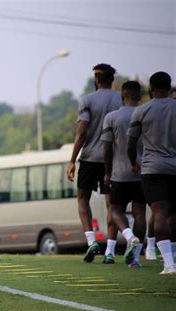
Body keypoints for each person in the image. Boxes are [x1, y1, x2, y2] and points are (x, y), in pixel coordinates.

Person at [67, 64, 121, 263]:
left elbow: (82, 132)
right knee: (111, 204)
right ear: (112, 80)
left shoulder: (87, 100)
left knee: (83, 199)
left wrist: (72, 160)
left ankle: (91, 241)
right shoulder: (120, 99)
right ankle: (110, 251)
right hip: (113, 159)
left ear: (96, 80)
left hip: (89, 157)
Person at [127, 71, 176, 274]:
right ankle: (173, 258)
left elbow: (131, 142)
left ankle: (168, 264)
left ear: (151, 88)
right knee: (174, 214)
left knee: (159, 213)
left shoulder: (141, 111)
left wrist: (133, 161)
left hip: (152, 168)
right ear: (169, 86)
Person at [101, 81, 146, 267]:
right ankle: (135, 258)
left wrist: (107, 171)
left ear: (123, 96)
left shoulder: (112, 117)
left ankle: (129, 235)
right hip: (144, 171)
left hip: (120, 173)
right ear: (141, 96)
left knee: (115, 209)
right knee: (140, 213)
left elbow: (107, 148)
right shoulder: (146, 113)